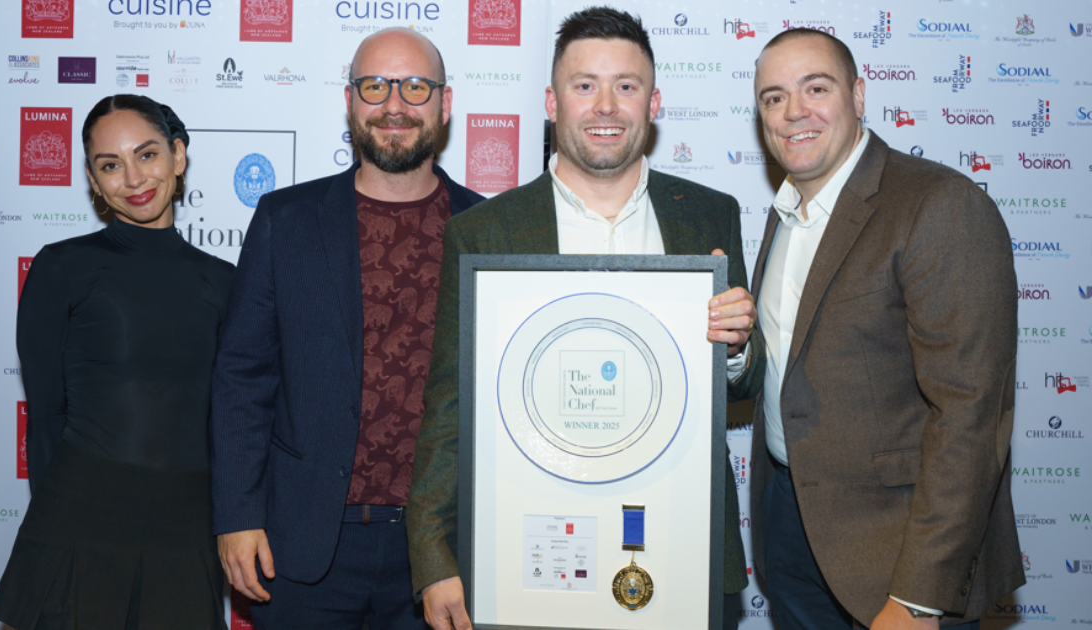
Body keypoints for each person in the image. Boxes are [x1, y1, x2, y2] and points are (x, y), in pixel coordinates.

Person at [406, 8, 763, 630]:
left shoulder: (708, 216)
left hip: (680, 548)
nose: (606, 106)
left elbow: (743, 388)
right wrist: (434, 557)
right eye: (584, 86)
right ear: (551, 101)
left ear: (653, 105)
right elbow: (448, 407)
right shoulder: (484, 233)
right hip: (529, 549)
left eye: (626, 86)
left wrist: (735, 347)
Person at [745, 28, 1023, 629]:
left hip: (895, 551)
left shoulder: (938, 204)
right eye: (773, 97)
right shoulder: (786, 214)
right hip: (791, 527)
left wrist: (921, 595)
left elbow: (971, 415)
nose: (794, 112)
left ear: (859, 94)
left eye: (815, 88)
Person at [211, 27, 484, 630]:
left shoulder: (487, 230)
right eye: (374, 86)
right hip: (302, 547)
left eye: (415, 87)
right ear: (349, 101)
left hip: (442, 553)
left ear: (445, 104)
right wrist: (236, 514)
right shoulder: (286, 221)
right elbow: (242, 381)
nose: (394, 105)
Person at [0, 94, 234, 630]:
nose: (133, 177)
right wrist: (60, 527)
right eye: (110, 165)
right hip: (81, 516)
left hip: (186, 523)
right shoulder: (62, 268)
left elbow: (231, 420)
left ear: (178, 155)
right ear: (94, 181)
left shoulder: (225, 282)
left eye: (146, 155)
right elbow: (46, 417)